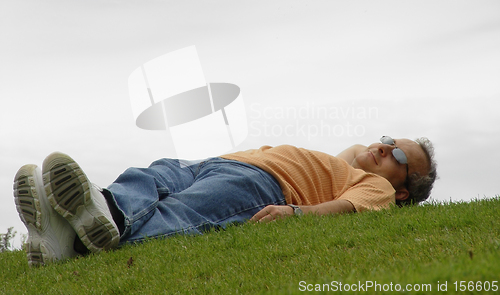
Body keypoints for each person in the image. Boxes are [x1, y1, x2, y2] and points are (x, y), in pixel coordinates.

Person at [13, 136, 437, 266]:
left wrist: (296, 212)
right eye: (387, 139)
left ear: (402, 190)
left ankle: (77, 237)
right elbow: (355, 148)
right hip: (215, 161)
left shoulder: (375, 188)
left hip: (262, 184)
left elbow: (349, 207)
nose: (383, 148)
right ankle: (85, 220)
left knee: (182, 212)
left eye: (397, 155)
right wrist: (380, 151)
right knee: (149, 176)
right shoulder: (346, 163)